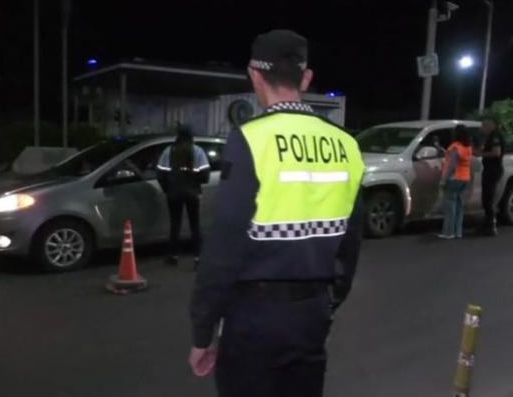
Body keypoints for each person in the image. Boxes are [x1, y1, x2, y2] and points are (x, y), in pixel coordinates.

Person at [188, 30, 365, 397]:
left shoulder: (251, 139)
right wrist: (327, 303)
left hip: (255, 319)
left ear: (254, 75)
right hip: (312, 315)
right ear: (306, 78)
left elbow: (224, 248)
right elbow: (350, 244)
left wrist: (203, 331)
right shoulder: (346, 144)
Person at [156, 123, 211, 268]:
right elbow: (205, 176)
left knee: (175, 224)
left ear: (178, 135)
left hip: (173, 193)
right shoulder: (198, 151)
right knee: (195, 226)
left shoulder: (168, 151)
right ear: (191, 135)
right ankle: (198, 259)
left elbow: (160, 174)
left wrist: (167, 189)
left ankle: (173, 256)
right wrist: (194, 182)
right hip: (192, 193)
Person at [439, 124, 473, 240]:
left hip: (454, 178)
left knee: (450, 206)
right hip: (465, 178)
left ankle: (448, 232)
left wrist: (443, 179)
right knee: (459, 206)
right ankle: (458, 232)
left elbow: (451, 165)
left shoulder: (455, 147)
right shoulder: (467, 147)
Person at [480, 118, 505, 236]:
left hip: (493, 170)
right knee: (486, 198)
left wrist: (481, 154)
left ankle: (491, 227)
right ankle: (487, 224)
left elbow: (496, 152)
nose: (481, 129)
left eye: (483, 126)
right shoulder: (490, 137)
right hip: (490, 170)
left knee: (488, 199)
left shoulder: (495, 136)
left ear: (490, 126)